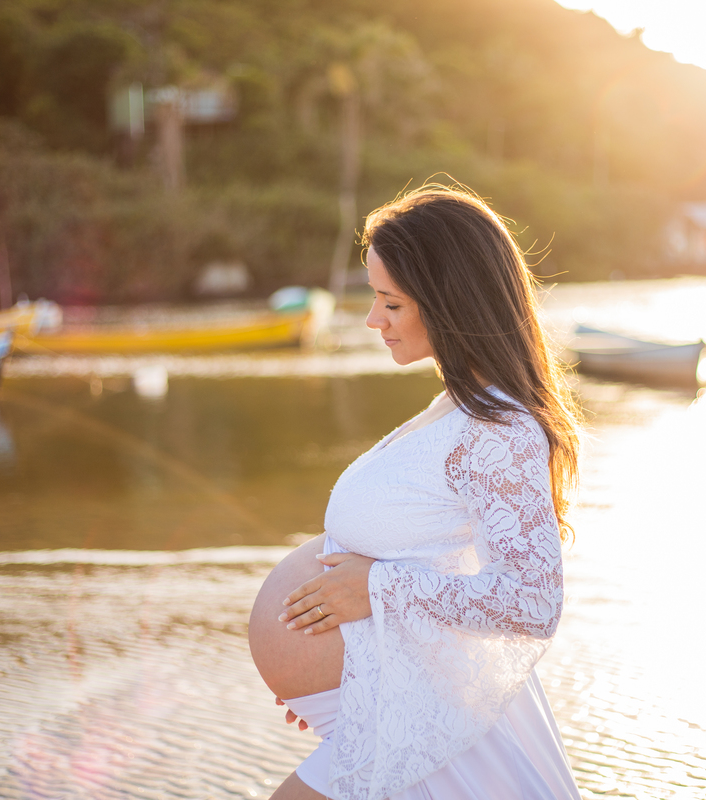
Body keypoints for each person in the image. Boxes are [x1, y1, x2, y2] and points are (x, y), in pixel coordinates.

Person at [248, 185, 583, 800]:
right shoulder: (455, 409)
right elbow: (438, 557)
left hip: (430, 721)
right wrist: (346, 674)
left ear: (449, 302)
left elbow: (534, 602)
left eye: (390, 302)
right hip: (396, 700)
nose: (374, 319)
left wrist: (374, 589)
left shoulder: (499, 431)